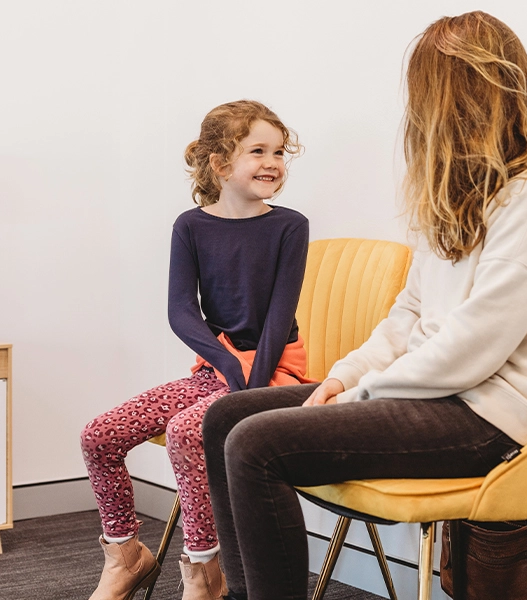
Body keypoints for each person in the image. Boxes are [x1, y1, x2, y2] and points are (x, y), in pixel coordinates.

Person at [201, 11, 527, 600]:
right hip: (434, 394)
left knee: (256, 444)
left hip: (487, 417)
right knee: (226, 417)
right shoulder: (452, 195)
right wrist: (342, 376)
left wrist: (357, 397)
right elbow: (408, 313)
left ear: (466, 98)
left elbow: (474, 350)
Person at [81, 100, 310, 600]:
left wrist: (247, 384)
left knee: (189, 431)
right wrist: (225, 365)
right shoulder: (191, 226)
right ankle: (125, 554)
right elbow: (182, 311)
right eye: (258, 151)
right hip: (217, 371)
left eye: (278, 151)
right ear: (221, 163)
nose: (273, 162)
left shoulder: (290, 225)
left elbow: (278, 316)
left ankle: (203, 568)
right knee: (100, 435)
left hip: (274, 376)